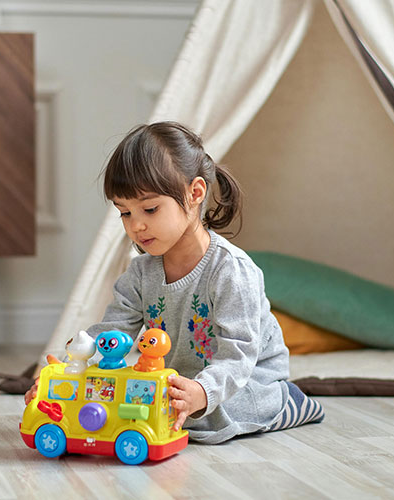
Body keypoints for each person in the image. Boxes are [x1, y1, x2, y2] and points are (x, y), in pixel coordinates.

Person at [26, 121, 324, 444]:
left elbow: (238, 356)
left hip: (246, 378)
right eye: (125, 213)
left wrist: (202, 391)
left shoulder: (231, 271)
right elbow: (110, 336)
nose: (136, 225)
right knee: (129, 405)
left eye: (150, 209)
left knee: (211, 421)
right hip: (182, 382)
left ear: (195, 193)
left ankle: (286, 401)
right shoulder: (140, 273)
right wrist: (67, 374)